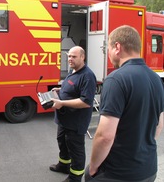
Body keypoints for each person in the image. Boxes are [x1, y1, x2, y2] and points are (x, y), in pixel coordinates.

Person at [85, 25, 164, 182]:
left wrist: (93, 167)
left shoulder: (116, 79)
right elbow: (158, 124)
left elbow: (105, 136)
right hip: (148, 170)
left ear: (117, 47)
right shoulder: (156, 79)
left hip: (118, 173)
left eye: (107, 49)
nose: (108, 55)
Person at [50, 46, 97, 182]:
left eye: (74, 56)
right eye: (69, 56)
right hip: (64, 119)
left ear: (83, 57)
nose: (70, 59)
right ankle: (63, 165)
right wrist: (60, 90)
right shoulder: (74, 71)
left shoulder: (87, 76)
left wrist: (62, 103)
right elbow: (72, 88)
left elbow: (85, 102)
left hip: (75, 122)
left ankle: (75, 176)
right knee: (62, 143)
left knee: (76, 149)